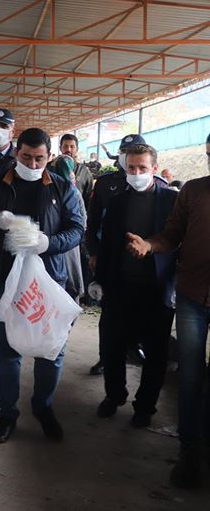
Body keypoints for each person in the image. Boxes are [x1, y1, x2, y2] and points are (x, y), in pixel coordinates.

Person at [0, 128, 85, 444]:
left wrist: (49, 242)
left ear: (50, 157)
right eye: (26, 157)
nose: (32, 164)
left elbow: (77, 229)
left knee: (50, 348)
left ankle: (44, 407)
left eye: (39, 159)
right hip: (3, 278)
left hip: (48, 279)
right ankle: (7, 415)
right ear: (16, 153)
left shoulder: (62, 187)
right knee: (7, 351)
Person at [125, 132, 210, 489]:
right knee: (190, 375)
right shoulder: (193, 190)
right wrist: (150, 244)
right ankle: (189, 450)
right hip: (192, 296)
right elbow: (172, 234)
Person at [95, 144, 177, 430]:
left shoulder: (172, 201)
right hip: (121, 287)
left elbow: (180, 243)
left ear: (154, 168)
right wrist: (100, 280)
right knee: (112, 346)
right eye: (132, 167)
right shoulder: (118, 202)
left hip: (157, 289)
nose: (137, 173)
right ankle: (114, 395)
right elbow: (107, 245)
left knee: (155, 353)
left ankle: (144, 407)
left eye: (143, 168)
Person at [86, 134, 152, 374]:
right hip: (111, 258)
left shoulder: (157, 187)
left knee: (141, 311)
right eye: (124, 152)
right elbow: (92, 223)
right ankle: (106, 357)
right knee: (110, 314)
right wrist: (94, 253)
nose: (130, 160)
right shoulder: (105, 184)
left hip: (144, 262)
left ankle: (135, 348)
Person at [49, 155, 87, 301]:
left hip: (61, 245)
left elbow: (81, 223)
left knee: (66, 285)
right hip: (65, 244)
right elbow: (82, 222)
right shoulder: (73, 190)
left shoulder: (68, 191)